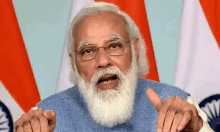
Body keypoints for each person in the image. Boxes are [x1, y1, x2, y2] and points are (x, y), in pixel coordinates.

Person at [15, 2, 213, 132]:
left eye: (114, 46)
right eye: (88, 51)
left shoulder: (180, 106)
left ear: (135, 50)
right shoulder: (43, 119)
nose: (102, 61)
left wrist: (196, 130)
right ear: (74, 64)